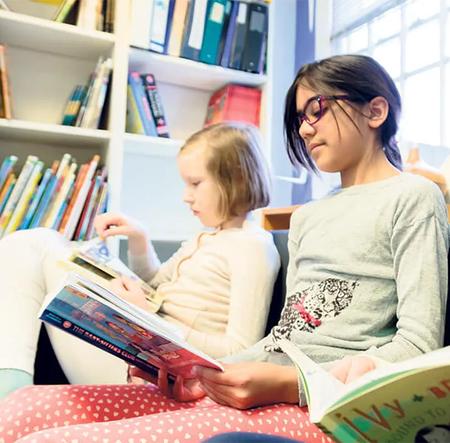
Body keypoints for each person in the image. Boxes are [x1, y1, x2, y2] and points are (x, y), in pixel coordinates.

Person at [0, 54, 450, 443]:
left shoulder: (413, 196)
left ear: (375, 111)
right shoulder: (308, 217)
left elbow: (418, 347)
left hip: (320, 407)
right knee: (16, 414)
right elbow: (284, 337)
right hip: (268, 381)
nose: (306, 128)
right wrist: (197, 375)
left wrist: (293, 385)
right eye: (299, 118)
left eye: (316, 108)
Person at [0, 122, 280, 398]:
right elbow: (155, 284)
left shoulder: (253, 248)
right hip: (142, 340)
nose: (186, 196)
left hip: (151, 370)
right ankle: (9, 393)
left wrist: (147, 318)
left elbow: (241, 350)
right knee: (41, 242)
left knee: (38, 243)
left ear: (235, 180)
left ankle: (8, 397)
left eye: (195, 184)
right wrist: (139, 238)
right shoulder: (207, 237)